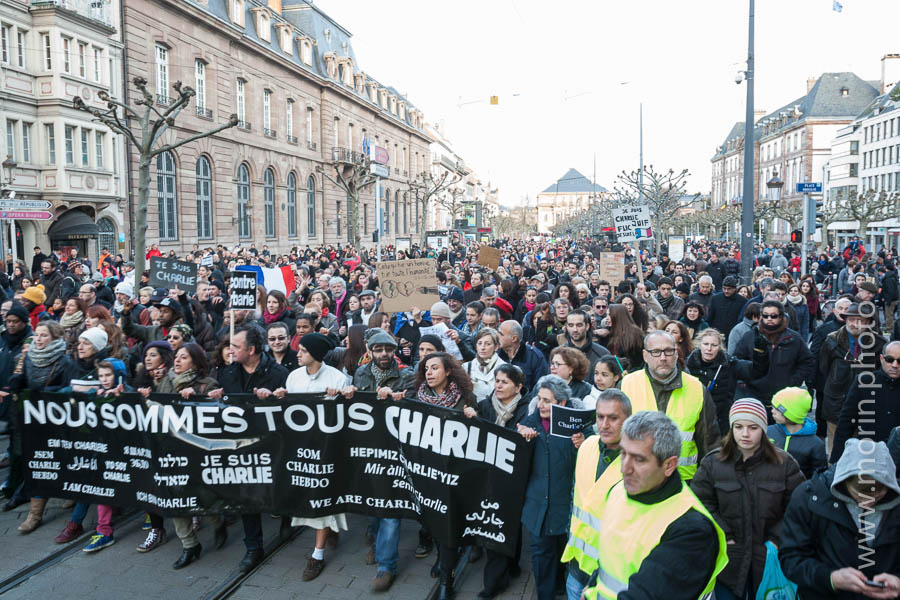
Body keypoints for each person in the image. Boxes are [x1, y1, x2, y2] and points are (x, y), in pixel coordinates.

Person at [580, 411, 728, 600]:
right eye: (623, 453)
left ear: (669, 465)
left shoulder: (692, 530)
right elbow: (613, 556)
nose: (625, 467)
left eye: (639, 459)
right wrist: (592, 586)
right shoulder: (618, 491)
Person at [691, 398, 804, 600]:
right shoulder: (712, 463)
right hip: (728, 562)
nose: (745, 434)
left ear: (763, 429)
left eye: (753, 427)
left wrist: (777, 538)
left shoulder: (785, 464)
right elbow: (700, 503)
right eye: (739, 426)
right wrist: (724, 535)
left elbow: (798, 507)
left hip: (769, 559)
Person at [207, 325, 289, 574]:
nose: (229, 350)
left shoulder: (278, 373)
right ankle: (253, 547)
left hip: (272, 445)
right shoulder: (228, 372)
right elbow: (225, 405)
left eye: (236, 346)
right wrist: (214, 398)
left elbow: (292, 411)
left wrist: (276, 398)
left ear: (251, 350)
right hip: (241, 446)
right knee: (246, 495)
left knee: (277, 487)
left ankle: (286, 516)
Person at [779, 438, 900, 598]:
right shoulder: (809, 498)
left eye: (878, 493)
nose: (869, 502)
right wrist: (830, 578)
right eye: (859, 494)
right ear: (843, 481)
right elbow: (791, 557)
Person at [345, 330, 416, 592]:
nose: (384, 354)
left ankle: (386, 566)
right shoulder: (361, 374)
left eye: (388, 349)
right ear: (369, 350)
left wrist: (402, 400)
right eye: (378, 349)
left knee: (390, 507)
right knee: (373, 501)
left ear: (394, 350)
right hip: (367, 450)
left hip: (396, 452)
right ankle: (375, 538)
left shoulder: (407, 376)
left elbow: (417, 411)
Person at [274, 332, 347, 582]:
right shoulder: (293, 376)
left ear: (315, 354)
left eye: (303, 350)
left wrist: (340, 395)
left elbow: (347, 408)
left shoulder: (336, 377)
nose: (298, 354)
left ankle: (317, 554)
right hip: (300, 447)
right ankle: (330, 528)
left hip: (326, 448)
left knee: (321, 495)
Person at [407, 352, 474, 599]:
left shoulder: (466, 399)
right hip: (424, 470)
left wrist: (473, 418)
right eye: (426, 369)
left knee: (448, 521)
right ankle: (441, 556)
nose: (429, 373)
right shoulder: (416, 397)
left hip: (454, 472)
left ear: (448, 372)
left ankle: (447, 578)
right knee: (431, 519)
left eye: (435, 368)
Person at [463, 364, 529, 598]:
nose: (498, 386)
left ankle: (512, 565)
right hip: (489, 478)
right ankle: (493, 584)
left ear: (518, 387)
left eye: (504, 382)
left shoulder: (527, 410)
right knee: (495, 527)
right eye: (496, 381)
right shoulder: (483, 406)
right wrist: (473, 418)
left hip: (515, 479)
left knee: (511, 524)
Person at [620, 331, 721, 481]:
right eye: (656, 352)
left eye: (668, 351)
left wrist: (705, 487)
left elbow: (710, 444)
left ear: (676, 354)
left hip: (684, 484)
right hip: (637, 479)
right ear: (645, 356)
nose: (663, 357)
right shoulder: (627, 385)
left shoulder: (696, 389)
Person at [518, 375, 584, 600]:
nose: (541, 405)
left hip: (566, 505)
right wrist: (521, 440)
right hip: (537, 505)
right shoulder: (527, 424)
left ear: (562, 403)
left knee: (563, 553)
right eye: (539, 399)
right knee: (541, 555)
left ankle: (560, 587)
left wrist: (583, 445)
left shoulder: (577, 428)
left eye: (547, 400)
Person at [561, 389, 632, 600]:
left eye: (613, 418)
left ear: (628, 419)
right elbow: (576, 497)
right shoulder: (587, 446)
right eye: (600, 417)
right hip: (576, 567)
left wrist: (596, 580)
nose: (604, 424)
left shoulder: (635, 463)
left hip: (609, 579)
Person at [166, 343, 228, 569]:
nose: (177, 361)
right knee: (175, 499)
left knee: (203, 498)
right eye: (176, 357)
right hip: (171, 451)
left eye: (184, 357)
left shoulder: (207, 384)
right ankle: (190, 545)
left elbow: (218, 415)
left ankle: (218, 522)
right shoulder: (166, 381)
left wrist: (197, 399)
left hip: (197, 452)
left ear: (195, 361)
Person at [6, 320, 72, 528]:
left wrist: (49, 394)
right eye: (37, 335)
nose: (39, 339)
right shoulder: (29, 357)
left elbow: (70, 389)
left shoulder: (65, 361)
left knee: (59, 463)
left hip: (56, 421)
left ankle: (72, 492)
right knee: (40, 464)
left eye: (44, 335)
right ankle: (34, 515)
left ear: (54, 338)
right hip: (33, 421)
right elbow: (23, 379)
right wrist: (16, 382)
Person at [819, 302, 887, 455]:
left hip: (866, 405)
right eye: (850, 319)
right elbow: (824, 368)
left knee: (861, 451)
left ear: (868, 322)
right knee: (834, 449)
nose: (854, 323)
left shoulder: (878, 344)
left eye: (859, 320)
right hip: (836, 402)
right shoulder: (832, 340)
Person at [734, 300, 814, 410]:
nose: (769, 319)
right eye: (765, 316)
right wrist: (743, 379)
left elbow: (807, 361)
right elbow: (738, 359)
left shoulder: (794, 338)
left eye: (773, 316)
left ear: (781, 317)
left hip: (785, 396)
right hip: (755, 394)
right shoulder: (750, 336)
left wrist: (794, 381)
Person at [686, 328, 768, 435]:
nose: (709, 349)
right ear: (699, 345)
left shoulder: (730, 364)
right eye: (706, 344)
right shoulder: (688, 365)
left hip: (721, 423)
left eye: (714, 345)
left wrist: (760, 353)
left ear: (720, 347)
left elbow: (756, 371)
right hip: (693, 420)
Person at [831, 340, 900, 463]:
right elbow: (846, 422)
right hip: (868, 457)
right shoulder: (865, 381)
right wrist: (838, 460)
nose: (895, 365)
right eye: (890, 359)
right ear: (881, 358)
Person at [767, 387, 826, 479]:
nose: (772, 411)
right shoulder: (768, 432)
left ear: (791, 413)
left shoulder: (815, 444)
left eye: (777, 408)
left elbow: (818, 478)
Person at [497, 320, 548, 392]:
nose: (497, 336)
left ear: (514, 338)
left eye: (501, 334)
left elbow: (540, 388)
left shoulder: (535, 357)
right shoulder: (495, 353)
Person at [557, 309, 610, 376]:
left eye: (579, 325)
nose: (575, 329)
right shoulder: (558, 355)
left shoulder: (602, 354)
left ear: (587, 326)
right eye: (571, 325)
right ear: (567, 327)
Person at [462, 328, 505, 402]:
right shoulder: (466, 367)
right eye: (479, 343)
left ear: (496, 347)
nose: (482, 348)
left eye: (488, 344)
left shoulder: (505, 368)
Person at [705, 276, 745, 342]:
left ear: (735, 289)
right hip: (717, 334)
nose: (726, 291)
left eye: (729, 289)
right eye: (724, 288)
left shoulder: (742, 301)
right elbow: (710, 318)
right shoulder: (715, 299)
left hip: (734, 335)